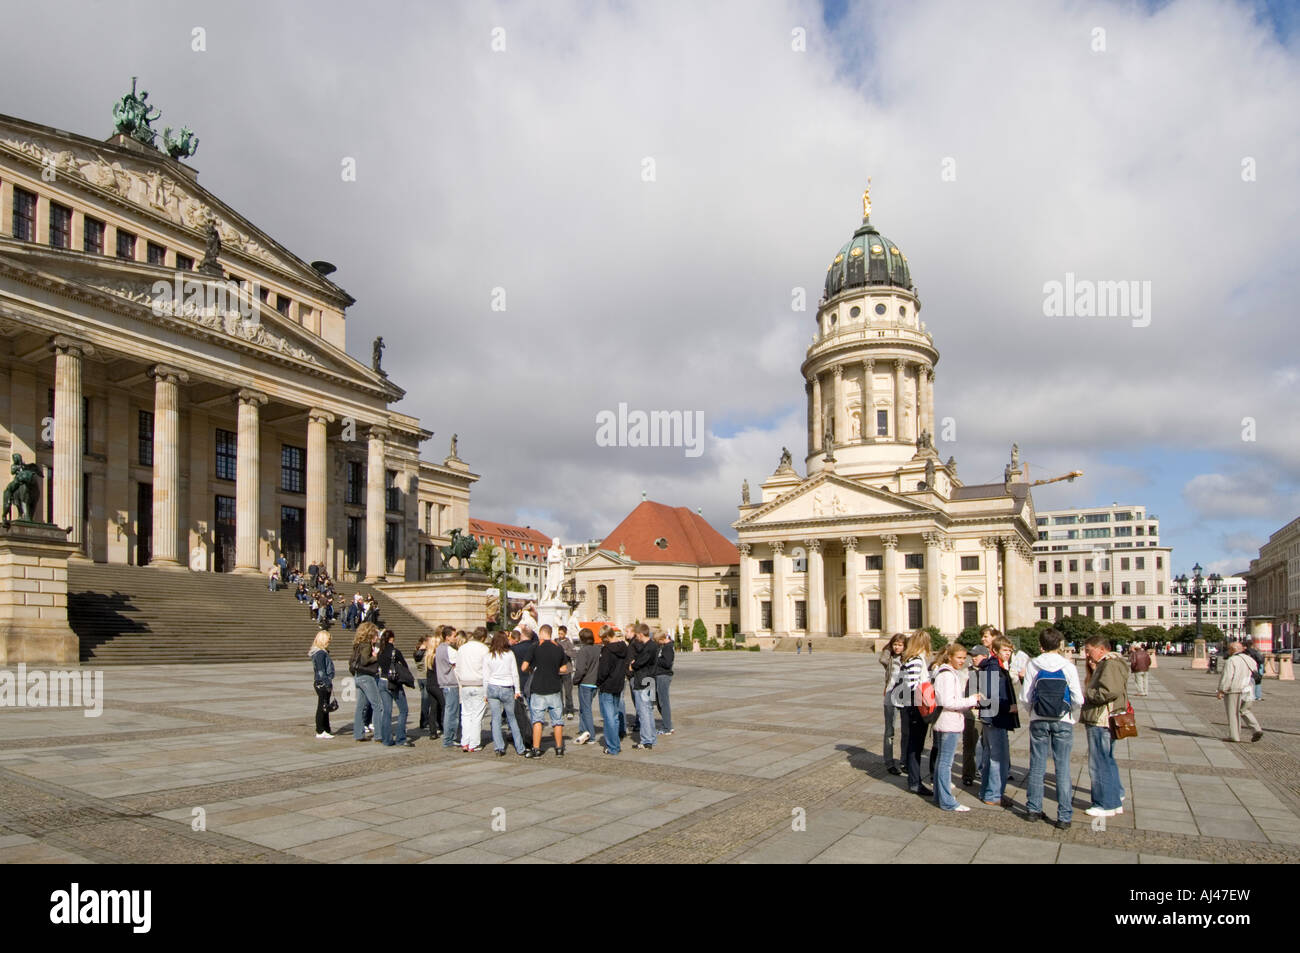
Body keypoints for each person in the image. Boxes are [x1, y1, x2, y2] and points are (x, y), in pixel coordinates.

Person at [1022, 628, 1082, 829]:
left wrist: (1033, 712)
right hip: (1063, 720)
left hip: (1038, 719)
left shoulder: (1033, 664)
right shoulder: (1068, 666)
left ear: (1041, 645)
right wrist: (1068, 712)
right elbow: (1078, 698)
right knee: (1062, 767)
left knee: (1037, 765)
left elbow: (1025, 696)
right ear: (1060, 645)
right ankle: (1064, 816)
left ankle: (1033, 809)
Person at [1080, 635, 1129, 817]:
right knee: (1107, 759)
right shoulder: (1111, 663)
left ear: (1101, 649)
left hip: (1101, 719)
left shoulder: (1110, 664)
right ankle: (1115, 798)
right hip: (1105, 718)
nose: (1087, 654)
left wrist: (1089, 693)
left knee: (1099, 762)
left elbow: (1110, 690)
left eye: (1089, 649)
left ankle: (1105, 804)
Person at [931, 644, 981, 811]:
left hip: (946, 721)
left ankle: (940, 796)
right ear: (949, 656)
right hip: (948, 722)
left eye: (963, 658)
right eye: (959, 657)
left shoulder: (947, 672)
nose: (962, 661)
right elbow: (947, 702)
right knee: (945, 762)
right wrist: (971, 700)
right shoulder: (946, 675)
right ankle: (947, 801)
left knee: (941, 762)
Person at [975, 635, 1020, 807]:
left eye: (1010, 650)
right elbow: (991, 696)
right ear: (995, 651)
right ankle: (994, 794)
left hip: (991, 717)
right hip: (996, 718)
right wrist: (1008, 708)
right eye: (1005, 650)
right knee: (997, 757)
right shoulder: (994, 668)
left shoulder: (995, 666)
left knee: (990, 755)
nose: (1008, 653)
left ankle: (987, 791)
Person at [892, 631, 933, 796]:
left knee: (914, 744)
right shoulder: (917, 659)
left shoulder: (910, 658)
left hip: (911, 706)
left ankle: (914, 780)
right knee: (916, 746)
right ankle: (915, 782)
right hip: (916, 707)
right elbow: (913, 685)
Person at [525, 624, 570, 757]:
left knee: (537, 720)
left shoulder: (535, 646)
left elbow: (524, 666)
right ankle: (559, 748)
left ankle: (537, 748)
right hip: (554, 687)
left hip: (538, 687)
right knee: (557, 721)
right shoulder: (558, 647)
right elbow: (564, 669)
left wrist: (532, 669)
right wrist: (553, 669)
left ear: (541, 633)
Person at [484, 631, 527, 756]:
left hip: (492, 686)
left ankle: (499, 747)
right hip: (507, 686)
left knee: (496, 718)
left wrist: (485, 694)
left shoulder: (488, 655)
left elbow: (485, 676)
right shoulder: (509, 654)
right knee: (512, 718)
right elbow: (515, 673)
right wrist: (517, 690)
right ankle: (520, 747)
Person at [1217, 638, 1263, 743]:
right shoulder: (1250, 659)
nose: (1228, 651)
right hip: (1249, 689)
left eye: (1228, 649)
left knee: (1233, 713)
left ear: (1232, 650)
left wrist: (1221, 690)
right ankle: (1257, 729)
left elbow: (1228, 677)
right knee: (1245, 710)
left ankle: (1234, 736)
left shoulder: (1231, 660)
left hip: (1235, 689)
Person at [376, 628, 415, 747]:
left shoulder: (380, 652)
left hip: (382, 681)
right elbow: (405, 666)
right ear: (391, 639)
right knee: (403, 710)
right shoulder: (395, 652)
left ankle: (386, 739)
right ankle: (400, 738)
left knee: (386, 711)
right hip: (393, 683)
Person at [596, 626, 630, 754]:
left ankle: (613, 746)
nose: (602, 642)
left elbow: (603, 671)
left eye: (602, 639)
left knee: (609, 717)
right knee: (615, 716)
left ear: (606, 637)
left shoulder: (607, 650)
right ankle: (615, 743)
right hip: (619, 683)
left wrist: (598, 682)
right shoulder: (623, 647)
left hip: (607, 685)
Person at [456, 627, 490, 752]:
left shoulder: (462, 648)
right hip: (479, 684)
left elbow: (457, 668)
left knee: (466, 714)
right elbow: (487, 669)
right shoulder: (484, 649)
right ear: (483, 638)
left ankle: (465, 741)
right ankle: (474, 743)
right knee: (477, 715)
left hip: (465, 684)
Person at [348, 623, 384, 743]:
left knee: (360, 706)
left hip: (358, 676)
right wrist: (376, 656)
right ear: (370, 633)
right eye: (375, 633)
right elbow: (365, 661)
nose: (377, 636)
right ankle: (379, 734)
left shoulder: (358, 644)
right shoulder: (366, 645)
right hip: (367, 677)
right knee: (378, 705)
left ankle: (358, 734)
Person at [628, 624, 659, 750]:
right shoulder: (653, 645)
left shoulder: (648, 647)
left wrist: (633, 665)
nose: (636, 638)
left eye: (637, 635)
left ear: (640, 634)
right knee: (649, 710)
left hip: (643, 680)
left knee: (644, 711)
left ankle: (647, 740)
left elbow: (639, 662)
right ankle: (651, 737)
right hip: (651, 680)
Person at [880, 633, 905, 776]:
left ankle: (904, 760)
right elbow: (882, 658)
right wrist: (889, 647)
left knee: (906, 732)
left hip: (905, 696)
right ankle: (889, 762)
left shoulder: (908, 659)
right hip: (890, 695)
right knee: (889, 730)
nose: (897, 647)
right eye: (895, 644)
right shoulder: (889, 659)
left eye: (900, 645)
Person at [571, 628, 602, 744]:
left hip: (585, 682)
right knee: (584, 708)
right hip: (595, 682)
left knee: (586, 709)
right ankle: (583, 730)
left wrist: (575, 680)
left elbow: (580, 669)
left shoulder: (583, 651)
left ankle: (590, 734)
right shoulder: (597, 649)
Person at [435, 626, 460, 747]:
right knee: (452, 712)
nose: (455, 638)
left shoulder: (439, 648)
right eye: (454, 636)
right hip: (451, 682)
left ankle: (449, 737)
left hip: (443, 682)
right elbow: (458, 664)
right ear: (448, 637)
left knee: (449, 710)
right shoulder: (449, 650)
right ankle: (449, 738)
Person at [309, 630, 335, 739]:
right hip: (322, 682)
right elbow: (321, 670)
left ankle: (326, 728)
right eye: (328, 640)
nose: (329, 642)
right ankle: (320, 730)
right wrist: (327, 682)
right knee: (322, 706)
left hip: (321, 681)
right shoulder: (320, 653)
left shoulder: (321, 652)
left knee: (325, 706)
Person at [653, 631, 674, 735]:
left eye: (658, 642)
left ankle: (667, 728)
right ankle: (668, 725)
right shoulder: (664, 647)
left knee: (663, 702)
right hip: (660, 676)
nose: (658, 644)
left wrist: (655, 659)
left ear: (662, 639)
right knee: (660, 702)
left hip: (663, 676)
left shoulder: (668, 647)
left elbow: (667, 663)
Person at [557, 625, 578, 720]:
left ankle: (570, 709)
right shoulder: (556, 641)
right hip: (557, 671)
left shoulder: (569, 643)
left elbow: (574, 654)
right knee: (558, 691)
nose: (560, 635)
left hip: (567, 670)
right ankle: (559, 709)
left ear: (565, 633)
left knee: (568, 691)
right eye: (559, 633)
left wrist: (565, 651)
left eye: (561, 633)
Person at [1243, 638, 1265, 702]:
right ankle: (1257, 696)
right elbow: (1260, 660)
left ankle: (1249, 695)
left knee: (1247, 682)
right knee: (1257, 682)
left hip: (1246, 668)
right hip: (1254, 668)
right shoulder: (1255, 652)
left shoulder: (1244, 652)